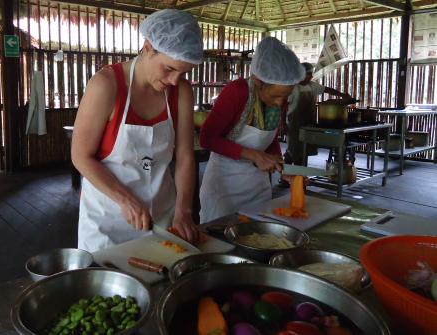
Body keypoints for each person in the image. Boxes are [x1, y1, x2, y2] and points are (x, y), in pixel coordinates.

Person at [71, 9, 203, 252]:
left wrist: (183, 211)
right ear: (147, 47)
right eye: (169, 69)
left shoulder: (181, 92)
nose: (175, 80)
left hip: (163, 216)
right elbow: (80, 156)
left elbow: (184, 156)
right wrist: (126, 200)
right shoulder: (106, 85)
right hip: (107, 221)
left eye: (183, 73)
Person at [198, 37, 305, 224]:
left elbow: (268, 139)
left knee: (257, 234)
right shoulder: (238, 92)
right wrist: (254, 156)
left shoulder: (277, 102)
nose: (280, 102)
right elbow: (207, 138)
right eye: (276, 96)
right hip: (224, 187)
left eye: (285, 96)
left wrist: (282, 167)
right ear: (257, 81)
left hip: (257, 187)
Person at [283, 62, 354, 165]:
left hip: (308, 125)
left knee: (304, 152)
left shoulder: (312, 86)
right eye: (309, 74)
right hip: (294, 126)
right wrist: (282, 124)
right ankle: (287, 177)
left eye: (311, 74)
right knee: (293, 151)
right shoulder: (293, 88)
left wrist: (343, 95)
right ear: (301, 74)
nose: (311, 76)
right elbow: (283, 107)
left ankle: (299, 177)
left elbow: (327, 89)